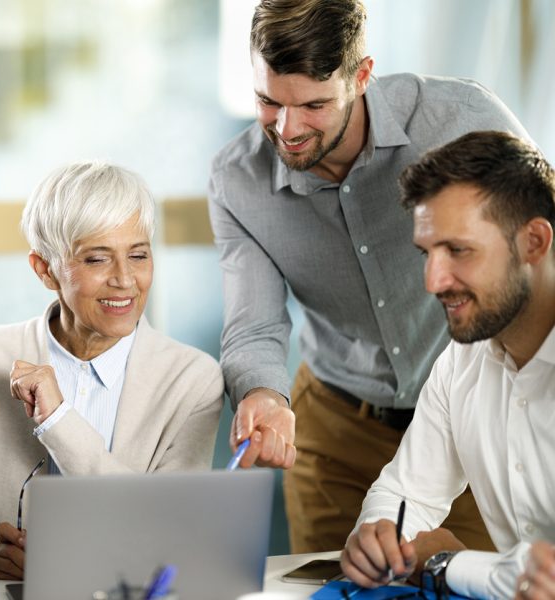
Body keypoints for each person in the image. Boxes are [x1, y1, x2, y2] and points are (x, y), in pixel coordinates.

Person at [208, 0, 530, 552]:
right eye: (268, 101)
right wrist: (262, 394)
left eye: (312, 104)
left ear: (361, 76)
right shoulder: (237, 182)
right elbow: (254, 324)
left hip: (474, 425)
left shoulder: (461, 120)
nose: (287, 130)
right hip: (336, 431)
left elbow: (539, 257)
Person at [0, 160, 224, 579]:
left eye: (139, 255)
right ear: (45, 270)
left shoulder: (193, 379)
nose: (125, 280)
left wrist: (58, 420)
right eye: (97, 260)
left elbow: (169, 535)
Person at [341, 130, 555, 599]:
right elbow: (408, 495)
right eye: (427, 253)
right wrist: (381, 538)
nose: (433, 281)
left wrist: (444, 562)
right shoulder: (461, 361)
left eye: (458, 250)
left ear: (534, 242)